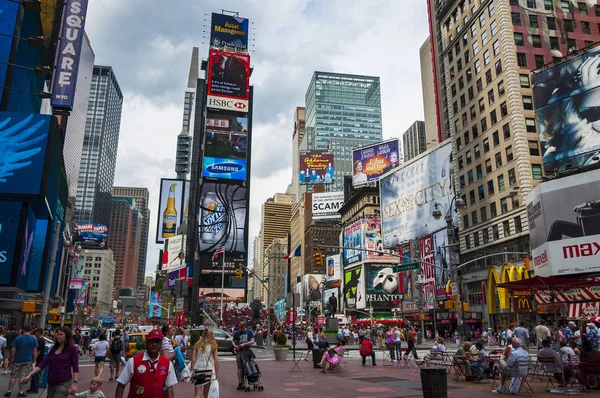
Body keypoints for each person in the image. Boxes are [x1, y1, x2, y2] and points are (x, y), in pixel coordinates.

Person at [115, 330, 177, 398]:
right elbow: (121, 385)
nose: (154, 344)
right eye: (152, 341)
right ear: (146, 342)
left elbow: (170, 388)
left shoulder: (167, 363)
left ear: (161, 344)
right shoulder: (133, 361)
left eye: (157, 341)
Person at [22, 326, 79, 398]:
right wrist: (29, 375)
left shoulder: (72, 348)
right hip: (51, 382)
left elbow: (75, 367)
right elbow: (43, 363)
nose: (58, 336)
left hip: (63, 383)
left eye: (61, 335)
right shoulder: (54, 348)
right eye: (57, 334)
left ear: (67, 336)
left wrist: (75, 383)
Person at [5, 325, 38, 397]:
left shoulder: (18, 338)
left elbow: (12, 350)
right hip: (27, 360)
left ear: (23, 330)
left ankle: (9, 391)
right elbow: (35, 351)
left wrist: (11, 360)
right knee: (22, 376)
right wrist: (34, 360)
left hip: (17, 359)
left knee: (13, 376)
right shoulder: (33, 339)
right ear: (30, 330)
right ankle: (20, 392)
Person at [190, 329, 219, 398]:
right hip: (209, 369)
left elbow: (193, 359)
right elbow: (216, 360)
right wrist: (216, 372)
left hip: (198, 369)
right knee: (206, 395)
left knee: (197, 394)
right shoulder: (213, 345)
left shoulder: (197, 344)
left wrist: (192, 370)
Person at [233, 322, 254, 391]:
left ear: (245, 326)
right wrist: (235, 346)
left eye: (243, 328)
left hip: (247, 350)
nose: (242, 329)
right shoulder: (237, 333)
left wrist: (244, 344)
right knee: (239, 367)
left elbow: (252, 341)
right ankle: (240, 382)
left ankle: (251, 378)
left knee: (249, 364)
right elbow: (233, 341)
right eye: (241, 328)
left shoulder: (249, 332)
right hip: (239, 351)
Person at [27, 328, 46, 394]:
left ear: (39, 332)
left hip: (38, 359)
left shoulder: (40, 340)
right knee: (34, 373)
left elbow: (38, 351)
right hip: (39, 358)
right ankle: (33, 387)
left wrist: (34, 359)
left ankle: (34, 388)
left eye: (36, 332)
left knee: (35, 373)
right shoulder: (41, 340)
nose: (35, 333)